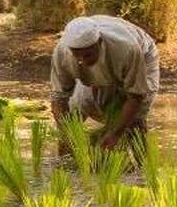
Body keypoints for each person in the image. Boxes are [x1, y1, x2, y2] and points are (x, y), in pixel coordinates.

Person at [50, 15, 160, 150]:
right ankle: (66, 165)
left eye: (87, 55)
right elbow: (59, 98)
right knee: (75, 111)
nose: (81, 61)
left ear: (100, 42)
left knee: (134, 121)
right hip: (112, 63)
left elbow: (136, 96)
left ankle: (141, 167)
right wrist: (67, 134)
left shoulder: (127, 49)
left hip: (142, 55)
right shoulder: (62, 52)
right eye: (76, 55)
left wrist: (116, 134)